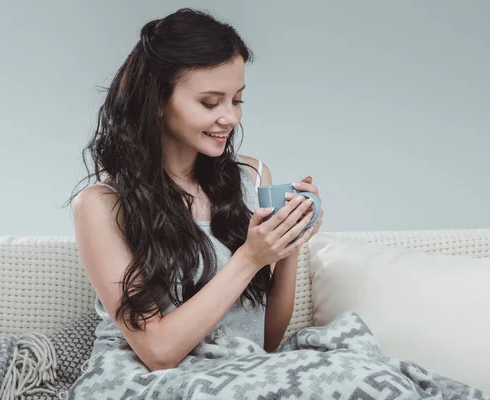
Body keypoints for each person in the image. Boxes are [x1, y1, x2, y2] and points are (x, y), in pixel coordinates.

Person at [67, 7, 324, 375]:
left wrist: (288, 244)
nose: (231, 118)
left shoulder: (252, 177)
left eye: (237, 100)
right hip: (144, 382)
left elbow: (263, 342)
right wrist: (250, 258)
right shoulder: (102, 206)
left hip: (241, 375)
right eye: (209, 102)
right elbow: (157, 352)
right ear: (157, 102)